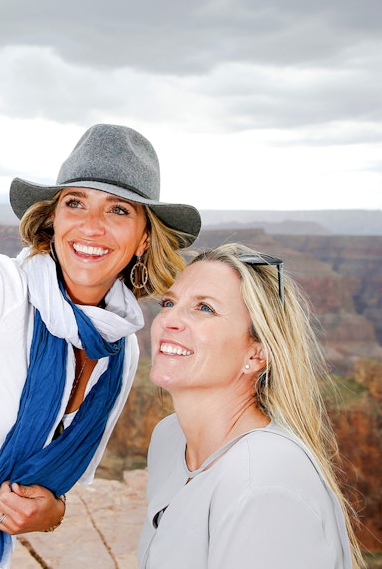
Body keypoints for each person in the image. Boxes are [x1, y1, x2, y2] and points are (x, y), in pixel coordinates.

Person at [0, 123, 201, 569]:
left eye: (119, 210)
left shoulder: (120, 352)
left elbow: (54, 491)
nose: (91, 226)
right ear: (54, 219)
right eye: (75, 203)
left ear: (145, 237)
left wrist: (53, 513)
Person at [138, 242, 366, 569]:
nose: (169, 320)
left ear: (256, 355)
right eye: (169, 302)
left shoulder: (263, 482)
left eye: (205, 308)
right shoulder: (169, 438)